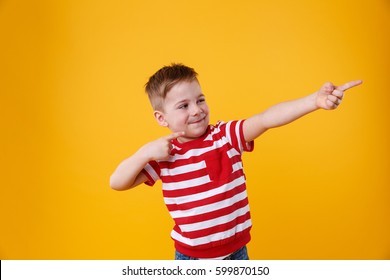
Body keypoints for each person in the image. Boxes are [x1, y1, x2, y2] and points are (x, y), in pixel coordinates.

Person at [110, 63, 362, 260]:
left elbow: (266, 119)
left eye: (200, 100)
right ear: (161, 118)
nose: (197, 110)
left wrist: (313, 101)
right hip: (192, 260)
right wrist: (144, 152)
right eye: (183, 106)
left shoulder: (225, 136)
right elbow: (117, 182)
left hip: (237, 254)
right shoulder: (163, 154)